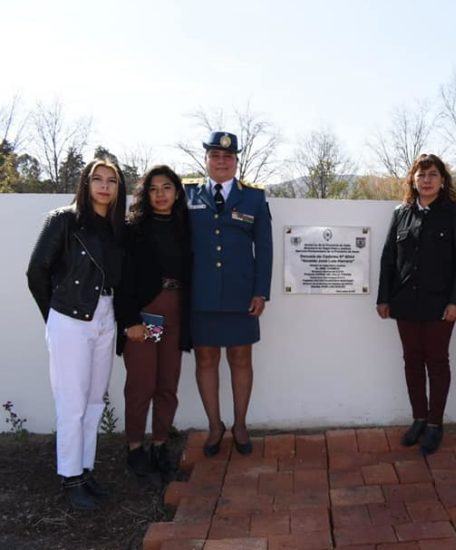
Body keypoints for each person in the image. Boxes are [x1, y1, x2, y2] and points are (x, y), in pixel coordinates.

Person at [26, 159, 127, 510]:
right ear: (85, 183)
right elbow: (36, 271)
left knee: (95, 401)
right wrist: (55, 316)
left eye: (111, 180)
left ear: (118, 188)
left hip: (105, 316)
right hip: (71, 317)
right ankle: (70, 478)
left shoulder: (117, 228)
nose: (104, 186)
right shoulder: (63, 220)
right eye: (97, 179)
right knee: (72, 403)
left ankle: (85, 470)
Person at [376, 154, 456, 455]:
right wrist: (383, 297)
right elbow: (388, 258)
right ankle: (419, 418)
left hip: (439, 305)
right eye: (421, 175)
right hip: (405, 303)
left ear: (442, 180)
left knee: (437, 362)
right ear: (413, 181)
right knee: (412, 362)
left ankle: (434, 424)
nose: (427, 180)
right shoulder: (401, 213)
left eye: (432, 174)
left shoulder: (454, 214)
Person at [184, 131, 273, 457]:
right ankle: (214, 425)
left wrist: (260, 292)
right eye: (215, 156)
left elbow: (264, 249)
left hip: (240, 295)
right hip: (201, 295)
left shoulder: (254, 198)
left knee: (240, 359)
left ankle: (239, 424)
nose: (222, 161)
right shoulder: (188, 195)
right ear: (206, 159)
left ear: (236, 161)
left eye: (228, 157)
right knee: (206, 359)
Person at [116, 165, 191, 479]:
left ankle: (160, 445)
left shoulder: (186, 226)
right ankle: (135, 448)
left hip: (177, 312)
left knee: (167, 385)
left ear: (176, 192)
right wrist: (129, 319)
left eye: (167, 187)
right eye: (153, 188)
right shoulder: (132, 228)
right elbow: (121, 278)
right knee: (141, 385)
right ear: (145, 194)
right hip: (145, 313)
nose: (160, 194)